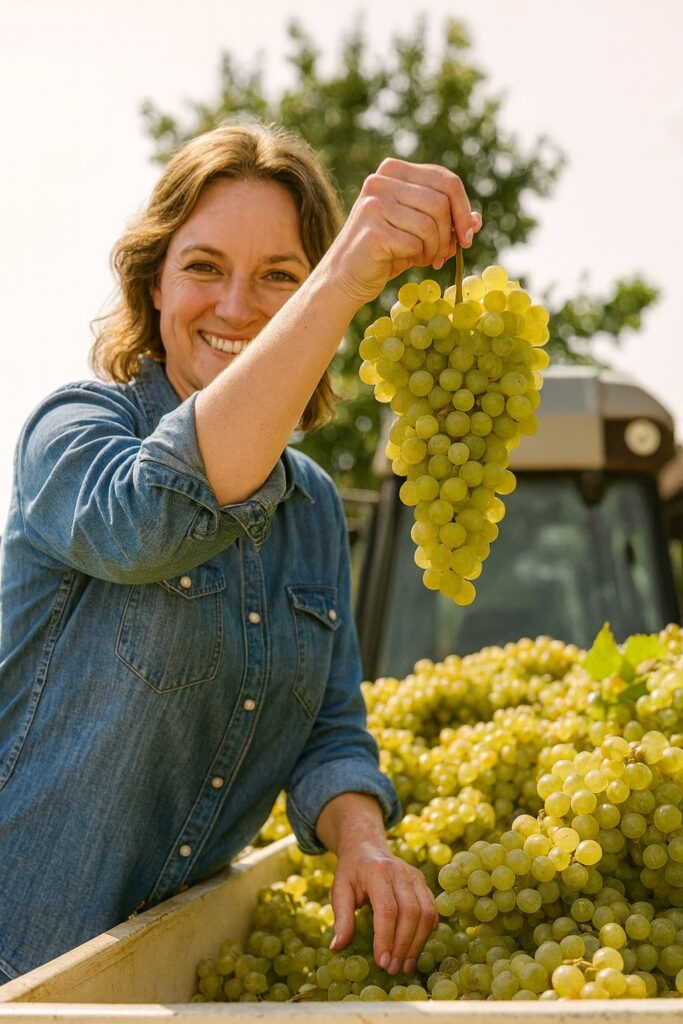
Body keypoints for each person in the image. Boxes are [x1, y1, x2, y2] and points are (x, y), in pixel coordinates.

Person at [0, 119, 481, 984]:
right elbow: (151, 520)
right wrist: (337, 282)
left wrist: (363, 843)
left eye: (278, 278)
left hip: (167, 975)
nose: (235, 307)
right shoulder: (70, 432)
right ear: (153, 283)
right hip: (19, 972)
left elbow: (329, 731)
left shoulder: (313, 508)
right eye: (203, 267)